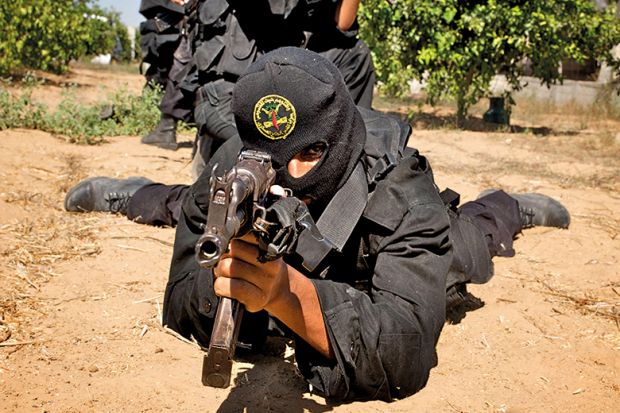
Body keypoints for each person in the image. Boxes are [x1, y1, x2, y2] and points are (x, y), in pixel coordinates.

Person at [64, 48, 570, 401]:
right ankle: (137, 192)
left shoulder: (400, 187)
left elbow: (407, 352)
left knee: (469, 246)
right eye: (273, 159)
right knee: (185, 204)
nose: (292, 174)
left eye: (310, 153)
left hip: (371, 245)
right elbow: (180, 299)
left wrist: (289, 296)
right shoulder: (234, 165)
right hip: (276, 244)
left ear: (338, 141)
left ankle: (509, 207)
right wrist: (238, 279)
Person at [177, 0, 375, 178]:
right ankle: (215, 156)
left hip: (273, 87)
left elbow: (342, 26)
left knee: (355, 53)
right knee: (266, 155)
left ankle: (343, 152)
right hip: (227, 93)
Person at [139, 0, 196, 150]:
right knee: (174, 67)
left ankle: (167, 129)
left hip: (193, 18)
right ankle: (166, 128)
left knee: (182, 70)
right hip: (179, 16)